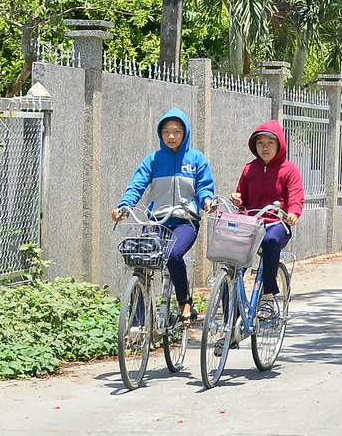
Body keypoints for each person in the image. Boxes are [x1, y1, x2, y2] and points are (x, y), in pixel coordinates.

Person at [113, 107, 217, 313]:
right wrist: (124, 206)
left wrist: (206, 200)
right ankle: (137, 322)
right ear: (160, 134)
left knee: (173, 254)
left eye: (177, 131)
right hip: (156, 222)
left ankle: (184, 301)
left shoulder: (196, 159)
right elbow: (136, 186)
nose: (171, 136)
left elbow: (204, 187)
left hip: (185, 222)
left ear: (185, 132)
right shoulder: (153, 160)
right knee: (141, 261)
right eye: (166, 131)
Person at [232, 119, 304, 296]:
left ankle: (268, 295)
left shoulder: (290, 170)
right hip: (251, 224)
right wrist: (237, 199)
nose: (265, 147)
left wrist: (293, 213)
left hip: (277, 224)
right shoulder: (249, 169)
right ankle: (229, 313)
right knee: (231, 265)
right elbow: (241, 196)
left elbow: (296, 197)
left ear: (279, 144)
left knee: (270, 241)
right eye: (260, 143)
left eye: (270, 143)